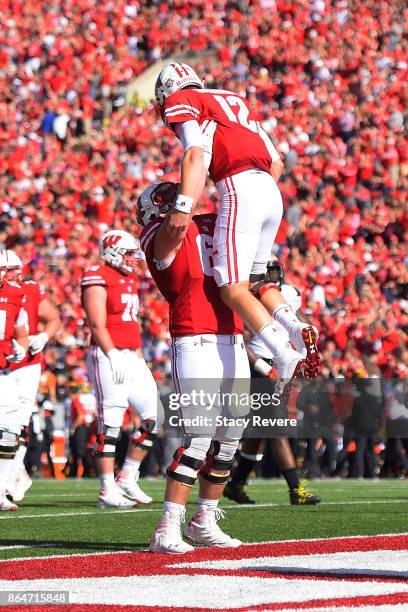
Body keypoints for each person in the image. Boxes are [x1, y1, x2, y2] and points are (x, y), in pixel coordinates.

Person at [153, 62, 319, 387]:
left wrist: (184, 206)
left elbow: (194, 155)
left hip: (239, 186)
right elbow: (276, 162)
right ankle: (297, 328)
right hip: (270, 188)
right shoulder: (233, 100)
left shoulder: (184, 102)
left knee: (231, 287)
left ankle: (282, 352)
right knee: (257, 280)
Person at [138, 182, 249, 553]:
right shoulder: (158, 234)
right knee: (199, 437)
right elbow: (174, 227)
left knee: (231, 438)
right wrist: (189, 191)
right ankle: (167, 527)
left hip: (232, 337)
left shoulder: (207, 223)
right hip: (196, 338)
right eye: (169, 200)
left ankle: (204, 519)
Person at [224, 260, 321, 506]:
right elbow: (241, 338)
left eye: (274, 271)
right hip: (260, 367)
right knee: (276, 428)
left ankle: (235, 485)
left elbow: (299, 323)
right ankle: (295, 489)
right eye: (267, 271)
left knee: (263, 430)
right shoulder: (247, 294)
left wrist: (307, 345)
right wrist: (263, 367)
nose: (271, 275)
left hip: (281, 365)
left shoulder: (287, 294)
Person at [81, 229, 160, 508]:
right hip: (108, 354)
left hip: (131, 355)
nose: (133, 259)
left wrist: (138, 356)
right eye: (128, 253)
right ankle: (106, 488)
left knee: (153, 419)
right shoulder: (97, 275)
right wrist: (112, 354)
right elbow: (96, 323)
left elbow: (131, 323)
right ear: (113, 251)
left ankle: (127, 475)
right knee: (111, 422)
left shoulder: (128, 279)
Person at [6, 250, 61, 502]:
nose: (15, 273)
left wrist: (43, 337)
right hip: (5, 362)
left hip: (27, 363)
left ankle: (11, 473)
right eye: (9, 269)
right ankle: (15, 472)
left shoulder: (29, 289)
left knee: (19, 420)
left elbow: (52, 319)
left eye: (18, 267)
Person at [0, 250, 29, 511]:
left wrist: (20, 346)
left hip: (3, 372)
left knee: (11, 429)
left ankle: (0, 489)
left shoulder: (16, 294)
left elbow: (21, 332)